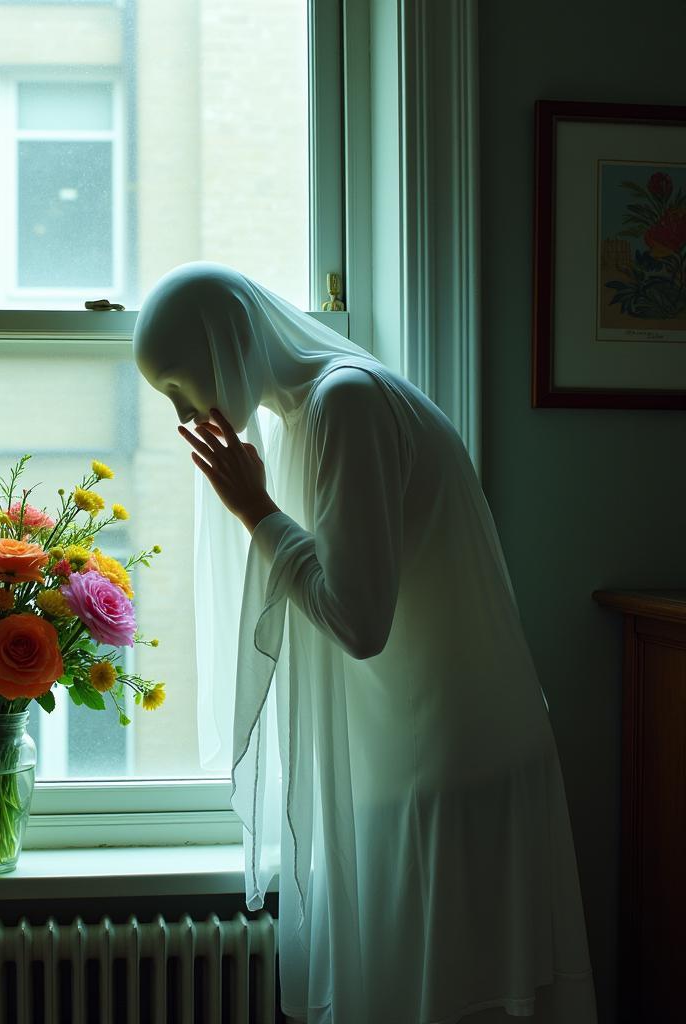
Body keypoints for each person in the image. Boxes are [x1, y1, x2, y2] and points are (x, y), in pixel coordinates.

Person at [132, 262, 597, 1024]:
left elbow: (359, 623)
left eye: (181, 383)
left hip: (449, 765)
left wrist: (257, 513)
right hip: (421, 758)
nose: (182, 411)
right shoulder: (308, 417)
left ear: (229, 343)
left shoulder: (345, 402)